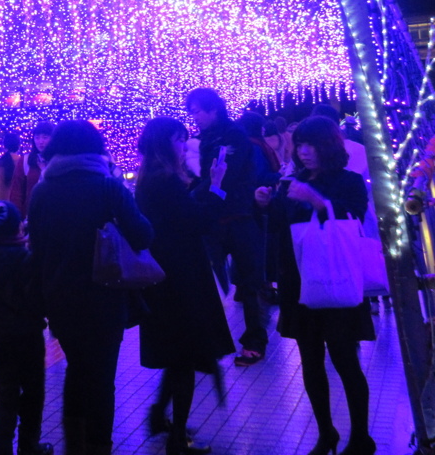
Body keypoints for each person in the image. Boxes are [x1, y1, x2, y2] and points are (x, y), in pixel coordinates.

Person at [28, 120, 153, 455]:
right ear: (96, 148)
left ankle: (74, 443)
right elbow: (143, 235)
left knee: (77, 368)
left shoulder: (42, 190)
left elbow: (36, 249)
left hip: (59, 298)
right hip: (103, 295)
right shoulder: (108, 186)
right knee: (100, 377)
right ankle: (99, 446)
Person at [255, 116, 376, 455]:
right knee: (310, 360)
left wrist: (317, 201)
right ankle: (326, 433)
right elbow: (279, 225)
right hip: (299, 280)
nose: (304, 152)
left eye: (311, 145)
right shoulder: (293, 180)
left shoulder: (349, 181)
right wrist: (265, 201)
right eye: (300, 145)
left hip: (336, 277)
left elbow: (354, 216)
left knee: (345, 359)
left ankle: (361, 437)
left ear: (328, 145)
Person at [135, 118, 234, 455]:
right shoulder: (166, 181)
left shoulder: (150, 179)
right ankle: (178, 437)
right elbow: (198, 221)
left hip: (165, 278)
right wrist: (218, 185)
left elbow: (181, 214)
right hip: (182, 280)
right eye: (179, 140)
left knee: (177, 352)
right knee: (185, 357)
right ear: (165, 144)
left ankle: (160, 417)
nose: (183, 146)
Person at [185, 88, 269, 367]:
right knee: (209, 280)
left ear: (213, 110)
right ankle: (208, 341)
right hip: (214, 218)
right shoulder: (204, 139)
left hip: (238, 217)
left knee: (249, 282)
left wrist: (192, 197)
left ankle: (254, 342)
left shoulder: (233, 137)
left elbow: (224, 177)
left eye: (197, 110)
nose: (194, 116)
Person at [0, 200, 53, 455]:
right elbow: (36, 299)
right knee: (33, 393)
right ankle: (29, 446)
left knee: (5, 395)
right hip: (28, 335)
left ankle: (2, 447)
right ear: (14, 228)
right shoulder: (24, 257)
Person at [13, 121, 54, 219]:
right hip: (31, 215)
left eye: (45, 137)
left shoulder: (59, 161)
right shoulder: (25, 161)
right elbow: (16, 191)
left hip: (54, 214)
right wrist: (18, 218)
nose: (40, 141)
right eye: (37, 137)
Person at [0, 132, 23, 210]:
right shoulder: (22, 162)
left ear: (5, 146)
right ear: (18, 146)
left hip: (3, 209)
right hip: (19, 208)